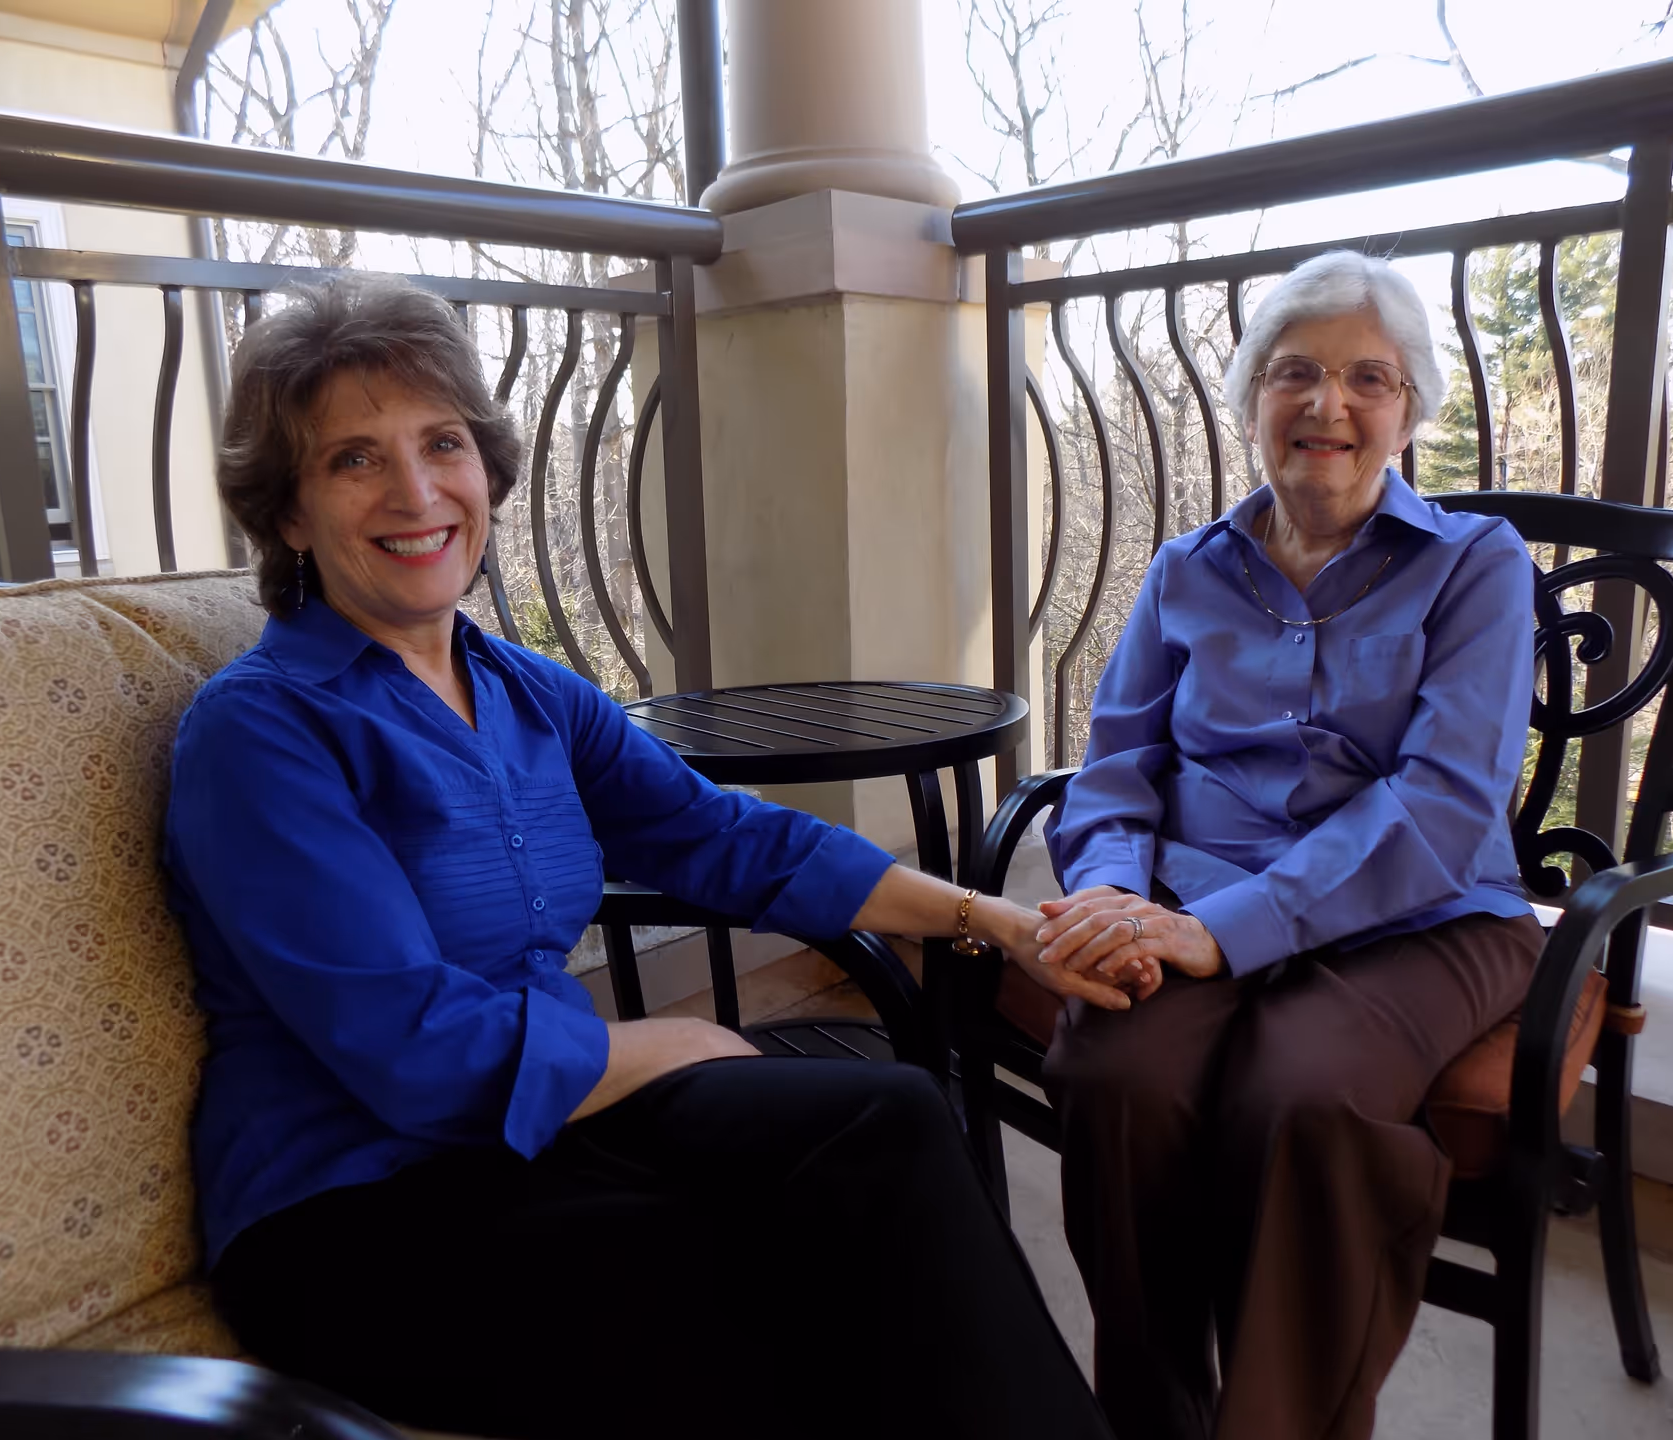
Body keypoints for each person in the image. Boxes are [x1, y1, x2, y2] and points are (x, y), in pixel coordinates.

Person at [164, 275, 1120, 1440]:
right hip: (357, 1209)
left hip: (546, 1128)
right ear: (290, 516)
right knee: (764, 1286)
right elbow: (414, 1056)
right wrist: (674, 1041)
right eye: (354, 459)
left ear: (488, 470)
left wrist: (999, 919)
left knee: (888, 1121)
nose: (416, 491)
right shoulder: (260, 730)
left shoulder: (523, 688)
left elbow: (729, 837)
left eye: (442, 443)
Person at [1033, 251, 1542, 1440]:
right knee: (1114, 1075)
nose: (1329, 406)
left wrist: (1221, 933)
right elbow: (1113, 774)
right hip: (1191, 899)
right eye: (1295, 373)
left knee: (1306, 1099)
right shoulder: (1184, 571)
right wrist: (1113, 901)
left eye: (1370, 377)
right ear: (1252, 397)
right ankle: (1155, 1419)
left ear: (1411, 409)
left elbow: (1444, 802)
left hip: (1428, 915)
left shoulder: (1479, 565)